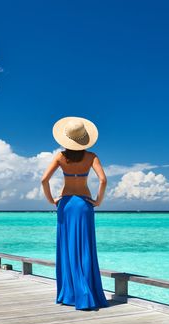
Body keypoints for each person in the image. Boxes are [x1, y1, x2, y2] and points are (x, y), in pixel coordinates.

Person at [41, 116, 109, 310]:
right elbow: (103, 180)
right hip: (85, 204)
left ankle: (70, 294)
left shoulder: (61, 157)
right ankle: (87, 292)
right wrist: (98, 201)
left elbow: (44, 180)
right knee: (85, 248)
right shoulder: (91, 157)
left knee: (68, 247)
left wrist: (51, 199)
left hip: (66, 204)